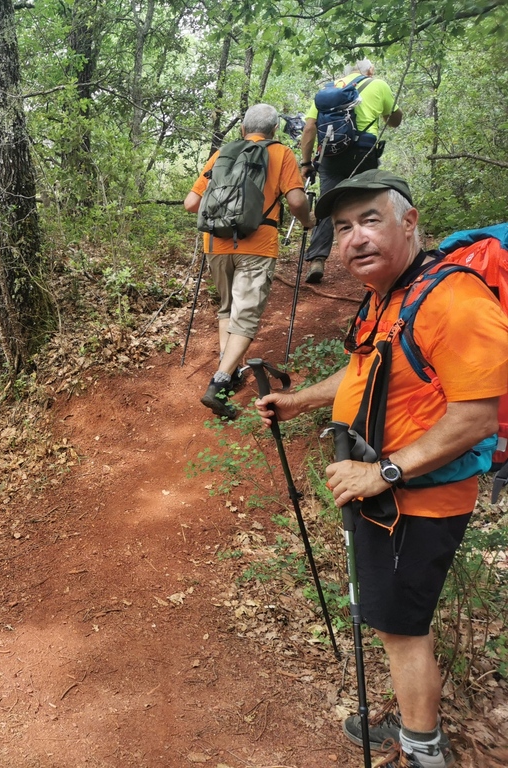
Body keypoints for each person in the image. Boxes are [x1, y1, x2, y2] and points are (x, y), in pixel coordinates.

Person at [256, 170, 508, 768]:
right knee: (399, 622)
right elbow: (368, 372)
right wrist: (301, 401)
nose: (354, 238)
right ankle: (414, 716)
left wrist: (384, 474)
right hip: (389, 493)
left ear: (409, 221)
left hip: (417, 499)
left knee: (401, 628)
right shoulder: (393, 294)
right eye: (343, 228)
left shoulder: (453, 298)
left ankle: (423, 748)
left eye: (371, 220)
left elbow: (476, 417)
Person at [184, 103, 315, 420]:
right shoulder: (280, 153)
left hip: (215, 243)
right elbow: (296, 200)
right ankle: (219, 382)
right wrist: (309, 220)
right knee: (246, 316)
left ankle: (229, 369)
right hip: (257, 244)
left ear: (242, 130)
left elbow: (191, 204)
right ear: (273, 131)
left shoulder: (223, 153)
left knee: (228, 309)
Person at [300, 59, 403, 284]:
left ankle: (317, 258)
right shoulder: (379, 85)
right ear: (370, 70)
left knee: (328, 204)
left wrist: (306, 163)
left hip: (331, 155)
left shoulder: (328, 91)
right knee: (367, 203)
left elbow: (309, 128)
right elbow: (394, 120)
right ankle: (371, 256)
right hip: (364, 154)